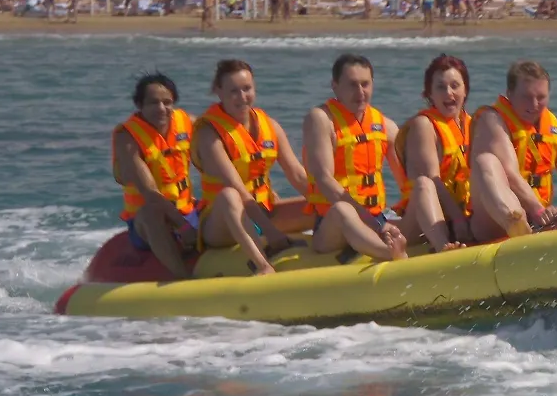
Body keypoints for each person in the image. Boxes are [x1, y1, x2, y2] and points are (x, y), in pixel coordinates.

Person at [191, 59, 314, 276]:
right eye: (234, 91)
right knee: (230, 196)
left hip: (265, 211)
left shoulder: (270, 125)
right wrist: (271, 233)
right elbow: (238, 190)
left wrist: (331, 204)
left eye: (247, 88)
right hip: (223, 224)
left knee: (321, 205)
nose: (242, 97)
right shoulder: (209, 133)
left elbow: (297, 175)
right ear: (218, 91)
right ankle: (263, 265)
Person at [301, 53, 408, 263]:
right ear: (335, 86)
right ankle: (393, 255)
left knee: (422, 189)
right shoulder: (321, 120)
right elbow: (324, 180)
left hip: (377, 218)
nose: (360, 92)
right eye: (352, 85)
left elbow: (407, 182)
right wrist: (372, 222)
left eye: (365, 84)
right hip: (332, 226)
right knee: (343, 210)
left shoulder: (386, 126)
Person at [468, 60, 557, 241]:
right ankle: (516, 222)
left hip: (538, 219)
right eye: (526, 97)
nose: (534, 104)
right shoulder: (492, 120)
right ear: (510, 94)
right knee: (486, 161)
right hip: (494, 222)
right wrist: (537, 210)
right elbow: (510, 174)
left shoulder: (553, 130)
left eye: (541, 97)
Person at [111, 72, 198, 279]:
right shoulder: (127, 138)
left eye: (167, 102)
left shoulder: (187, 123)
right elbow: (150, 193)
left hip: (188, 210)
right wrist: (183, 225)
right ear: (139, 105)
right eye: (153, 103)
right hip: (148, 221)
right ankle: (183, 279)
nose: (161, 108)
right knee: (152, 213)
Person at [392, 54, 474, 252]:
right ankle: (443, 246)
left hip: (463, 215)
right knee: (424, 184)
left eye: (455, 86)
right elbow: (433, 180)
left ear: (465, 89)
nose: (449, 93)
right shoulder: (424, 125)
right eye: (440, 87)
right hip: (420, 223)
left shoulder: (473, 124)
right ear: (429, 93)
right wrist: (458, 219)